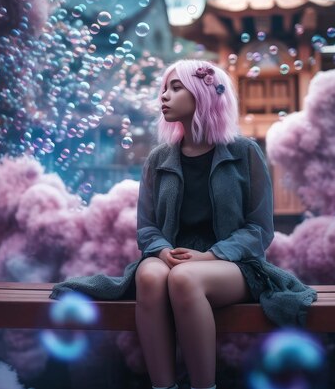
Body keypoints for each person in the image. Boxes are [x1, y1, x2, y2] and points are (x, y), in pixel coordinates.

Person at [50, 59, 317, 389]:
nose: (164, 95)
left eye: (175, 88)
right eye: (164, 88)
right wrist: (161, 253)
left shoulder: (243, 152)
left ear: (202, 94)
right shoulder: (158, 159)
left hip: (233, 263)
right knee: (148, 276)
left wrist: (210, 256)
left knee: (184, 279)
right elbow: (147, 227)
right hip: (172, 256)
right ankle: (163, 386)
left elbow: (259, 228)